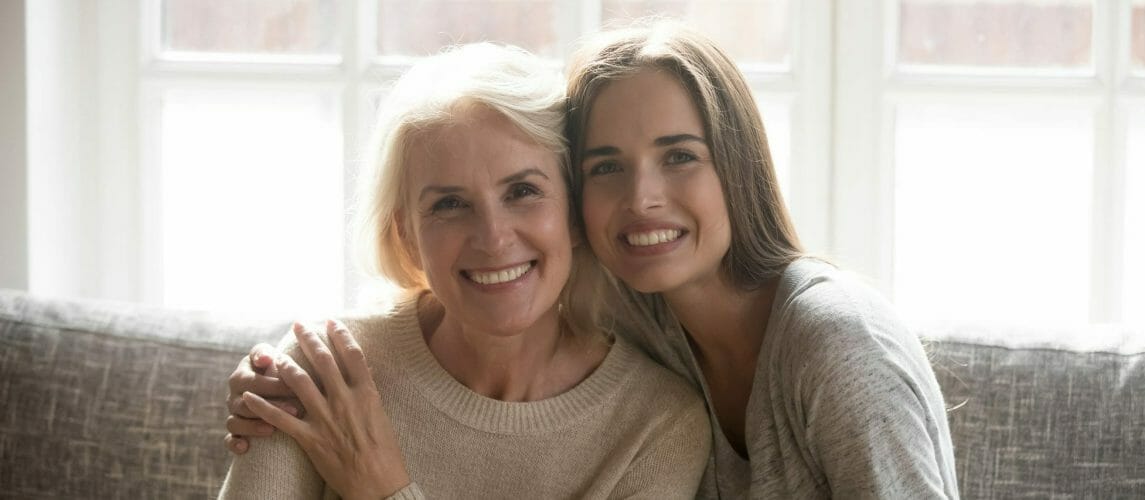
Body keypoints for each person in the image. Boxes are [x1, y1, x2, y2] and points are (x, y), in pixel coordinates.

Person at [227, 22, 959, 499]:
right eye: (608, 165)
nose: (642, 200)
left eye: (679, 156)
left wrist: (381, 489)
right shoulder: (655, 323)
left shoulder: (824, 343)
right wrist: (278, 372)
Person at [217, 42, 711, 499]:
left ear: (575, 214)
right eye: (450, 204)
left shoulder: (658, 426)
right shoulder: (322, 374)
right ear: (406, 235)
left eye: (522, 192)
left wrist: (383, 489)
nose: (493, 238)